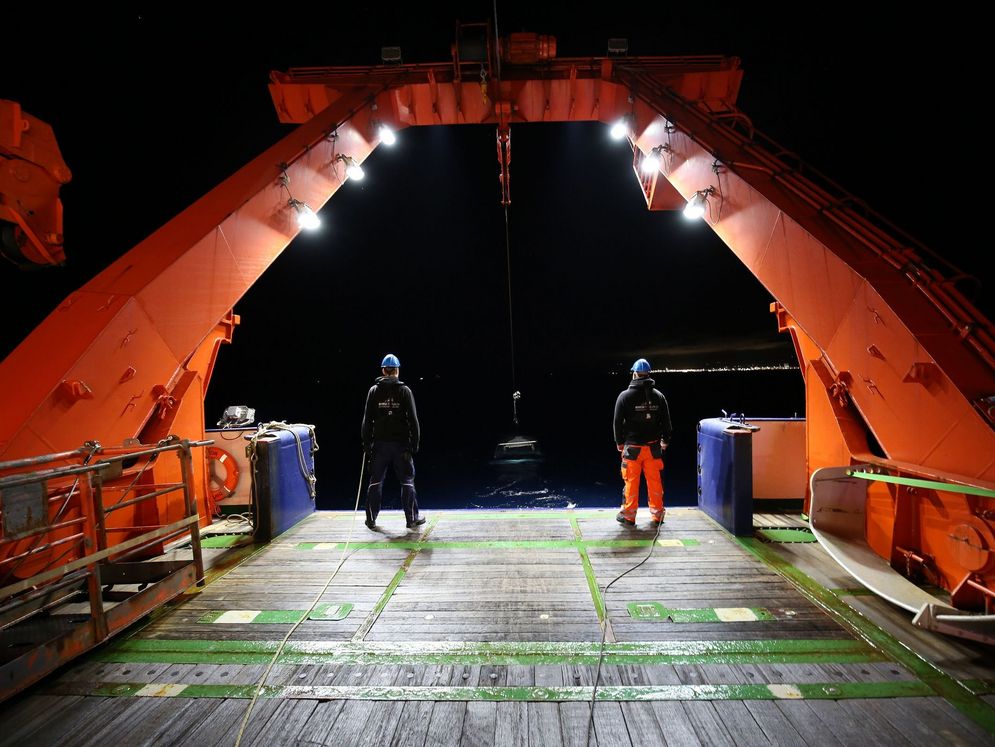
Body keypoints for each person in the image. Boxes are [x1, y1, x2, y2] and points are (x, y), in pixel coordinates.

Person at [361, 353, 425, 530]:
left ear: (383, 370)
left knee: (375, 482)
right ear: (397, 370)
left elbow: (367, 420)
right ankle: (411, 519)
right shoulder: (405, 391)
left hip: (379, 446)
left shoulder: (373, 391)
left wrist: (366, 444)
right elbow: (413, 419)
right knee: (407, 481)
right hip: (401, 445)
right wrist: (415, 444)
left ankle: (371, 520)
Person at [613, 358, 672, 527]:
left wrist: (619, 443)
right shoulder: (659, 396)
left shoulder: (624, 396)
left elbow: (617, 422)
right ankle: (657, 515)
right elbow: (666, 423)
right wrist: (665, 441)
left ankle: (629, 516)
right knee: (655, 482)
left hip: (632, 449)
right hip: (653, 448)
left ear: (634, 373)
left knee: (631, 482)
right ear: (648, 374)